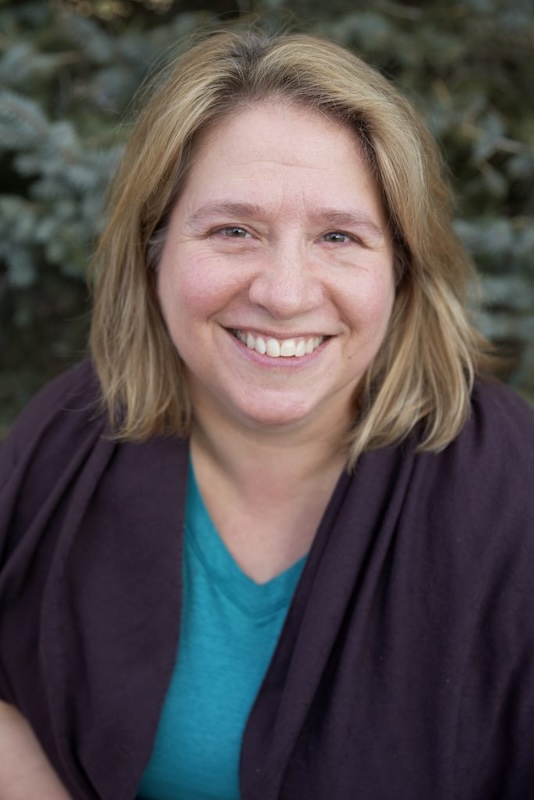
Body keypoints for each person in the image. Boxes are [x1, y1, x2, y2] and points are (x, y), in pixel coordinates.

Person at [0, 25, 533, 800]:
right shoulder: (70, 437)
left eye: (339, 237)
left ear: (403, 271)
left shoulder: (513, 494)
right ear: (153, 252)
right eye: (233, 231)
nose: (284, 293)